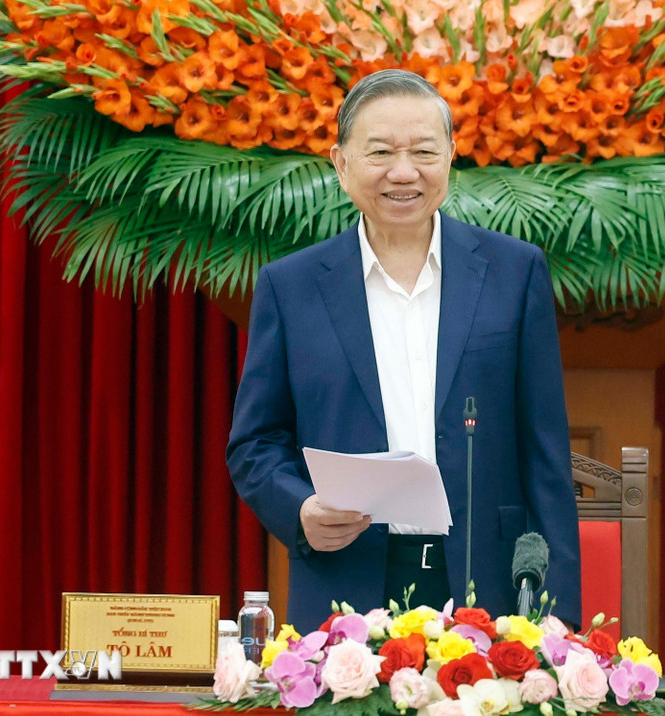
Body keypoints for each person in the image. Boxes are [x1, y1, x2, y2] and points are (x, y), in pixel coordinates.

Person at [226, 69, 580, 634]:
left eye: (423, 151)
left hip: (488, 583)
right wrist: (300, 510)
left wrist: (558, 622)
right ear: (341, 164)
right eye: (381, 152)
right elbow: (255, 443)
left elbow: (545, 454)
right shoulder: (291, 287)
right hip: (346, 584)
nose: (403, 172)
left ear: (451, 157)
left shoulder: (514, 272)